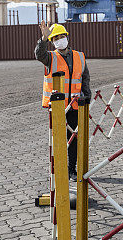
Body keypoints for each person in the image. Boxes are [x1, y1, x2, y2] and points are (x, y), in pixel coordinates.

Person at [36, 21, 91, 181]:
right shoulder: (50, 57)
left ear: (67, 37)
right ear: (52, 42)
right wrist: (43, 39)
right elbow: (39, 54)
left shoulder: (79, 56)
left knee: (73, 140)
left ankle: (71, 170)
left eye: (61, 36)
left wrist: (86, 97)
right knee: (60, 140)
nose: (59, 40)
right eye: (55, 38)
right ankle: (59, 170)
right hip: (58, 107)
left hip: (74, 106)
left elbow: (85, 77)